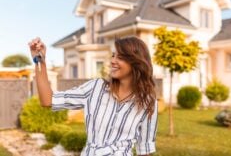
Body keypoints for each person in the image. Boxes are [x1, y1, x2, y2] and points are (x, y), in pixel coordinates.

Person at [28, 36, 158, 156]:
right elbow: (48, 100)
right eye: (113, 55)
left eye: (120, 57)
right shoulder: (95, 88)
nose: (113, 61)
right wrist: (40, 61)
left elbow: (145, 149)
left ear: (136, 62)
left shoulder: (147, 102)